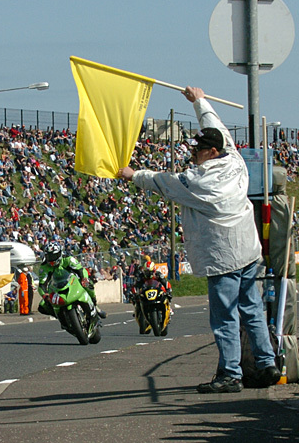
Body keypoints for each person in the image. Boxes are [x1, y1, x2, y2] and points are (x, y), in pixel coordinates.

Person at [118, 85, 280, 393]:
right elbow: (216, 127)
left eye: (199, 149)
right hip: (249, 251)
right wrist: (200, 101)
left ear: (212, 152)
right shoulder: (235, 161)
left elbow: (162, 182)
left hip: (222, 258)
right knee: (253, 310)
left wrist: (132, 174)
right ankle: (267, 363)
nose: (194, 153)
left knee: (225, 318)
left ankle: (231, 374)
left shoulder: (196, 181)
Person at [37, 242, 107, 319]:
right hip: (56, 286)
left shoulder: (68, 259)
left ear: (60, 254)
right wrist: (45, 295)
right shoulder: (44, 267)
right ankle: (60, 317)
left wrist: (84, 278)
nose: (52, 259)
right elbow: (41, 284)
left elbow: (80, 269)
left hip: (72, 280)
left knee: (88, 284)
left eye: (54, 256)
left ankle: (95, 306)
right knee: (42, 306)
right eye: (49, 256)